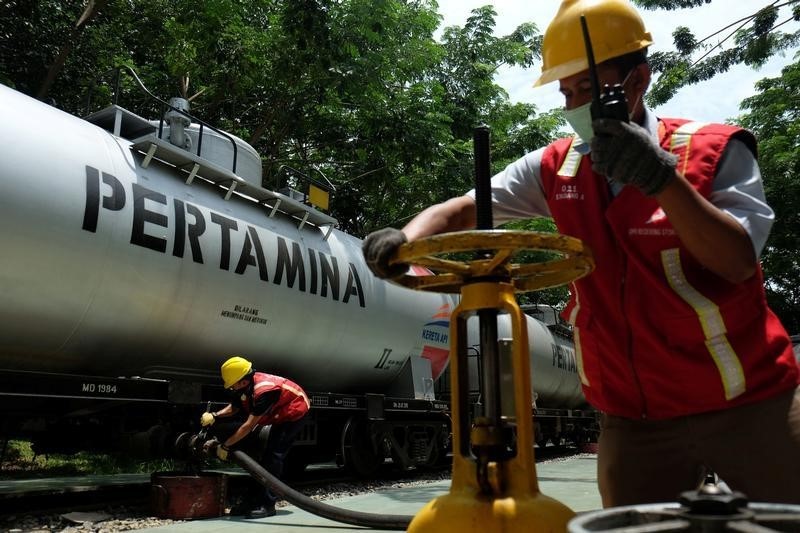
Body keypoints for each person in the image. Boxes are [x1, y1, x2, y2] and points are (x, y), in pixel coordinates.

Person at [362, 0, 800, 508]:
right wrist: (407, 242)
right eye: (566, 92)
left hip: (749, 405)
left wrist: (662, 181)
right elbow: (465, 210)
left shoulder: (712, 152)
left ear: (637, 82)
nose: (573, 105)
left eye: (587, 89)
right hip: (634, 418)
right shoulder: (557, 167)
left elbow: (737, 260)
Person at [200, 355, 310, 518]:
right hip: (279, 412)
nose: (231, 388)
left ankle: (267, 504)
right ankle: (251, 500)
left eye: (233, 385)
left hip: (293, 413)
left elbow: (248, 426)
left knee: (273, 456)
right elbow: (235, 407)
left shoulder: (264, 392)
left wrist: (225, 446)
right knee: (261, 458)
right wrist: (215, 415)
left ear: (243, 382)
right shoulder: (245, 384)